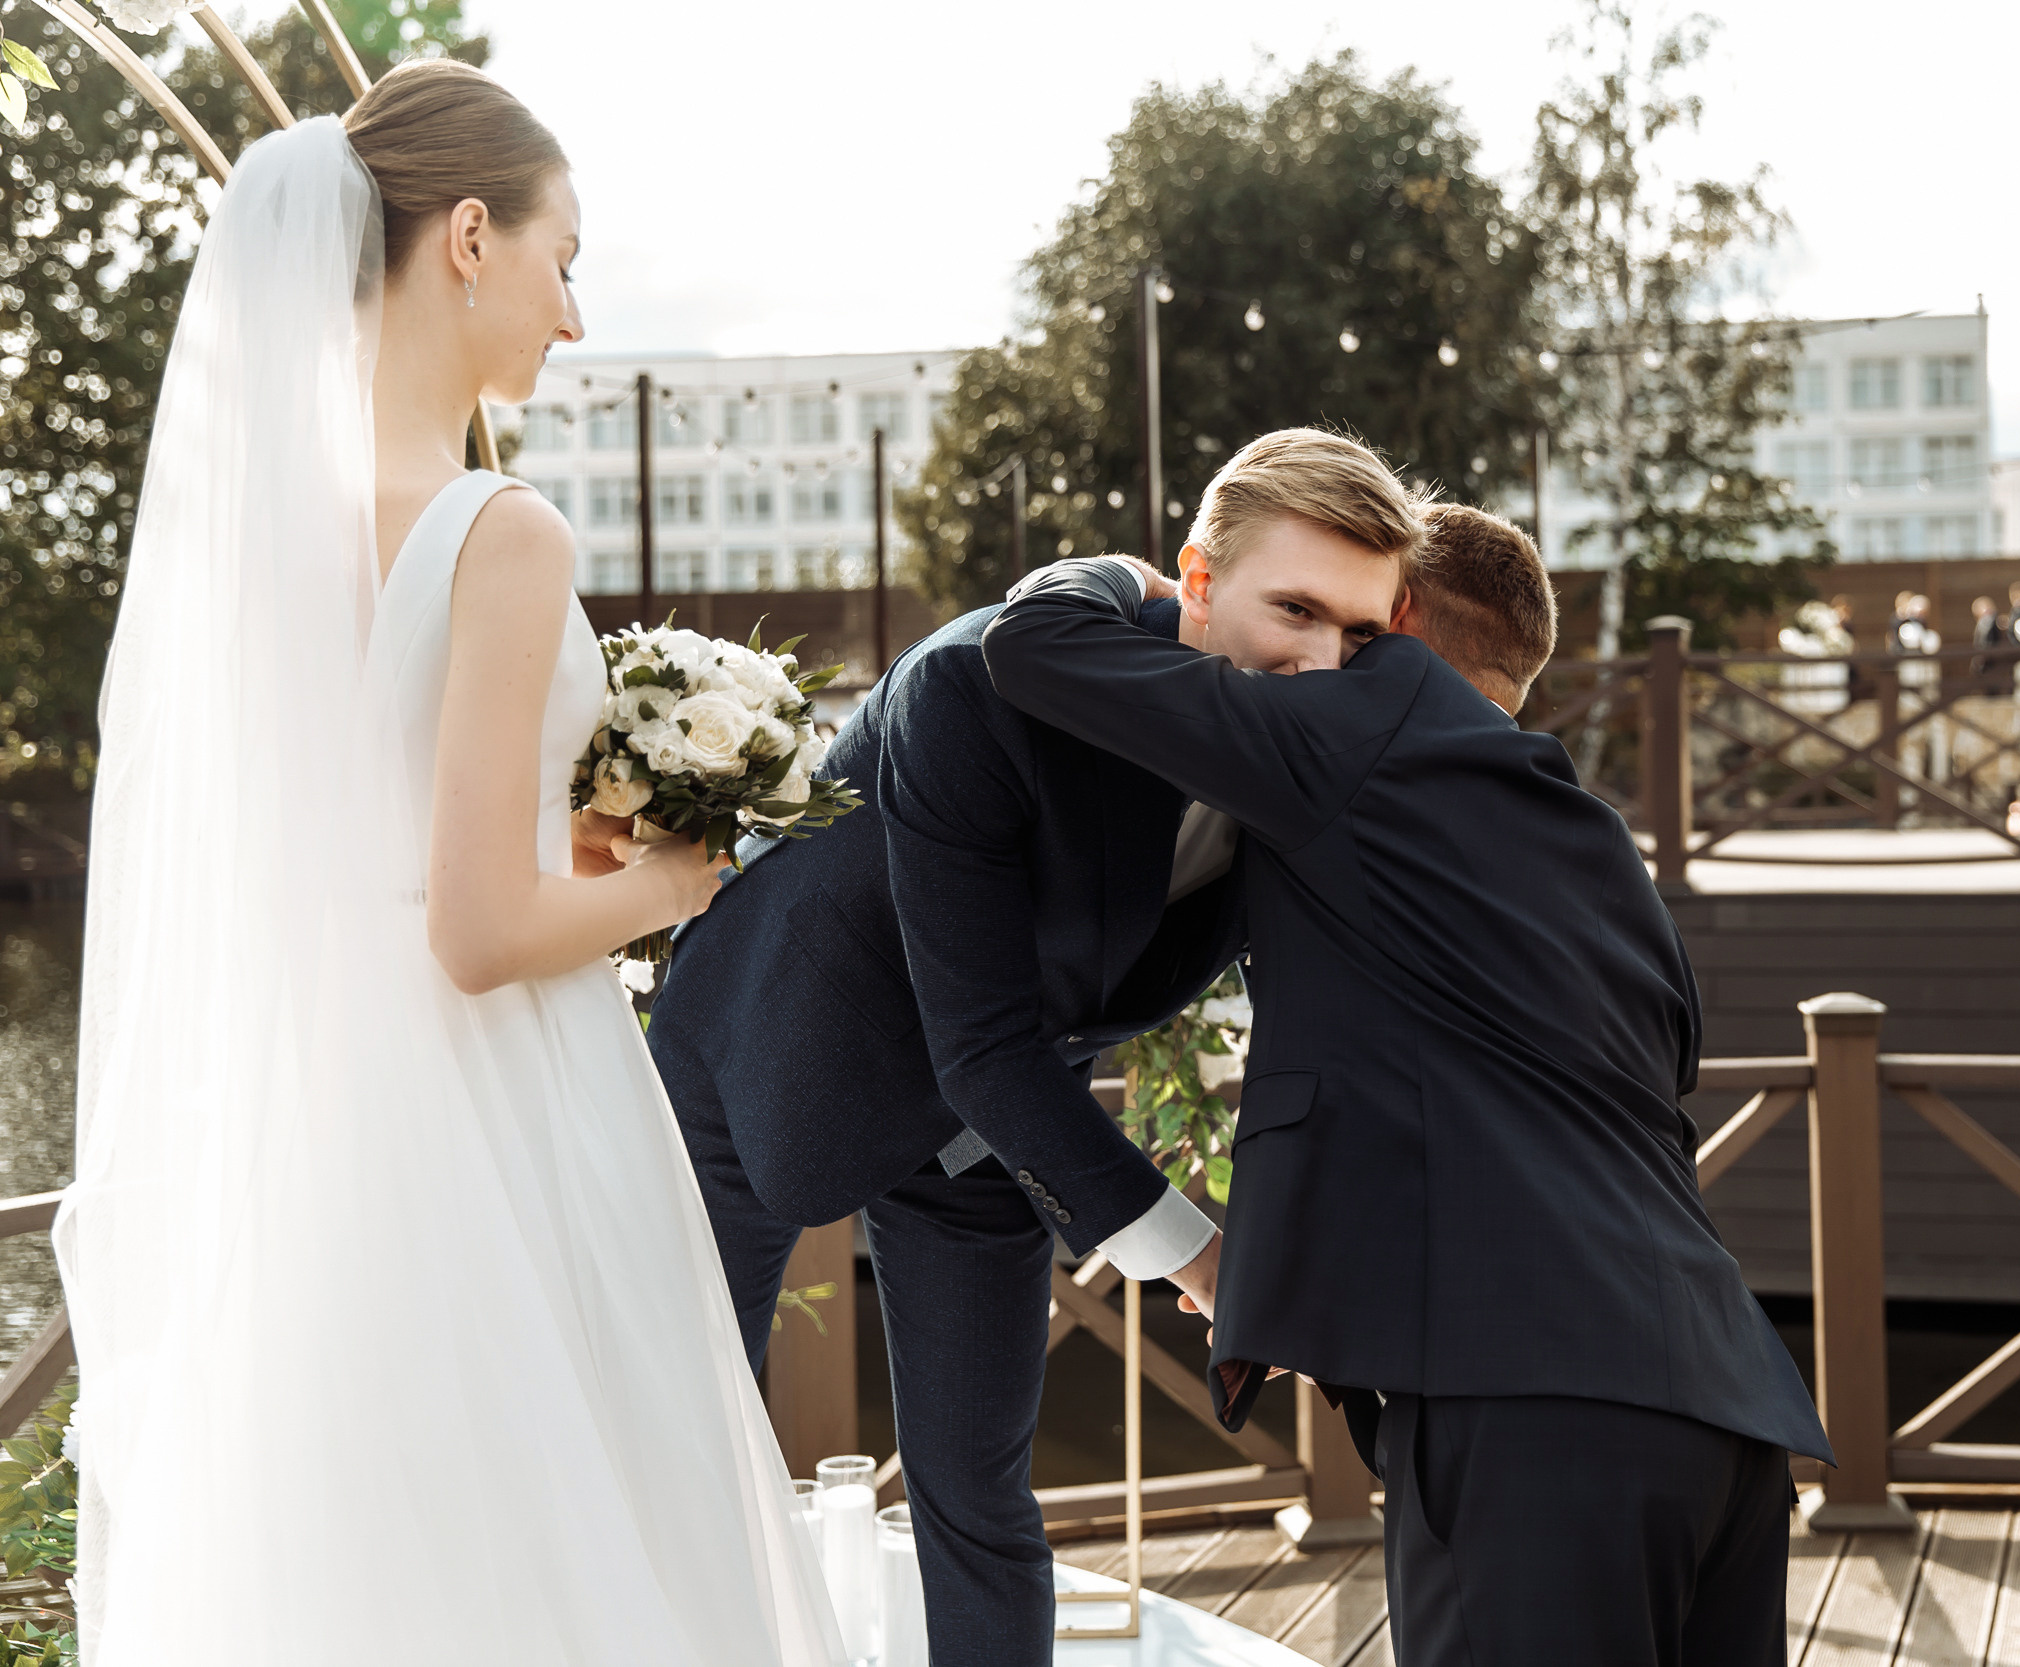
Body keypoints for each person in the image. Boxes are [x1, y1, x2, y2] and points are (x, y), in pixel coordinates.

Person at [58, 65, 843, 1664]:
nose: (570, 316)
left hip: (310, 1132)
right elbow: (480, 931)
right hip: (502, 1114)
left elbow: (359, 829)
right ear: (469, 235)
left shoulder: (251, 535)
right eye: (564, 259)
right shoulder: (500, 528)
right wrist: (677, 882)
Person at [982, 504, 1831, 1667]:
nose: (1318, 645)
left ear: (1404, 614)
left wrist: (1128, 572)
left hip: (1531, 1419)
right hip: (1728, 1417)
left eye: (1347, 610)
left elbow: (1034, 650)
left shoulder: (1363, 717)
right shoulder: (1596, 847)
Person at [646, 427, 1426, 1665]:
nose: (1322, 661)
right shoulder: (980, 687)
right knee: (686, 1454)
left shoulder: (1298, 772)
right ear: (1199, 581)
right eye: (1296, 608)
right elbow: (986, 1041)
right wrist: (1214, 1263)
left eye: (1360, 635)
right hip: (772, 1057)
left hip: (989, 1131)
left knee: (981, 1496)